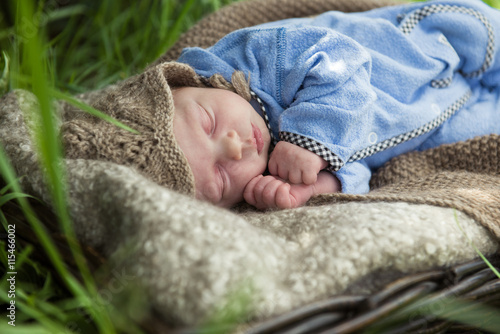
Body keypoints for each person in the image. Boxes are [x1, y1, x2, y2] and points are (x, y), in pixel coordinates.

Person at [170, 0, 500, 209]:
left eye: (207, 122)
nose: (232, 148)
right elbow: (355, 168)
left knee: (481, 26)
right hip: (428, 124)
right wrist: (308, 189)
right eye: (221, 178)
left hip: (424, 49)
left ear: (187, 82)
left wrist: (309, 138)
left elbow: (338, 58)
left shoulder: (251, 59)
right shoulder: (275, 164)